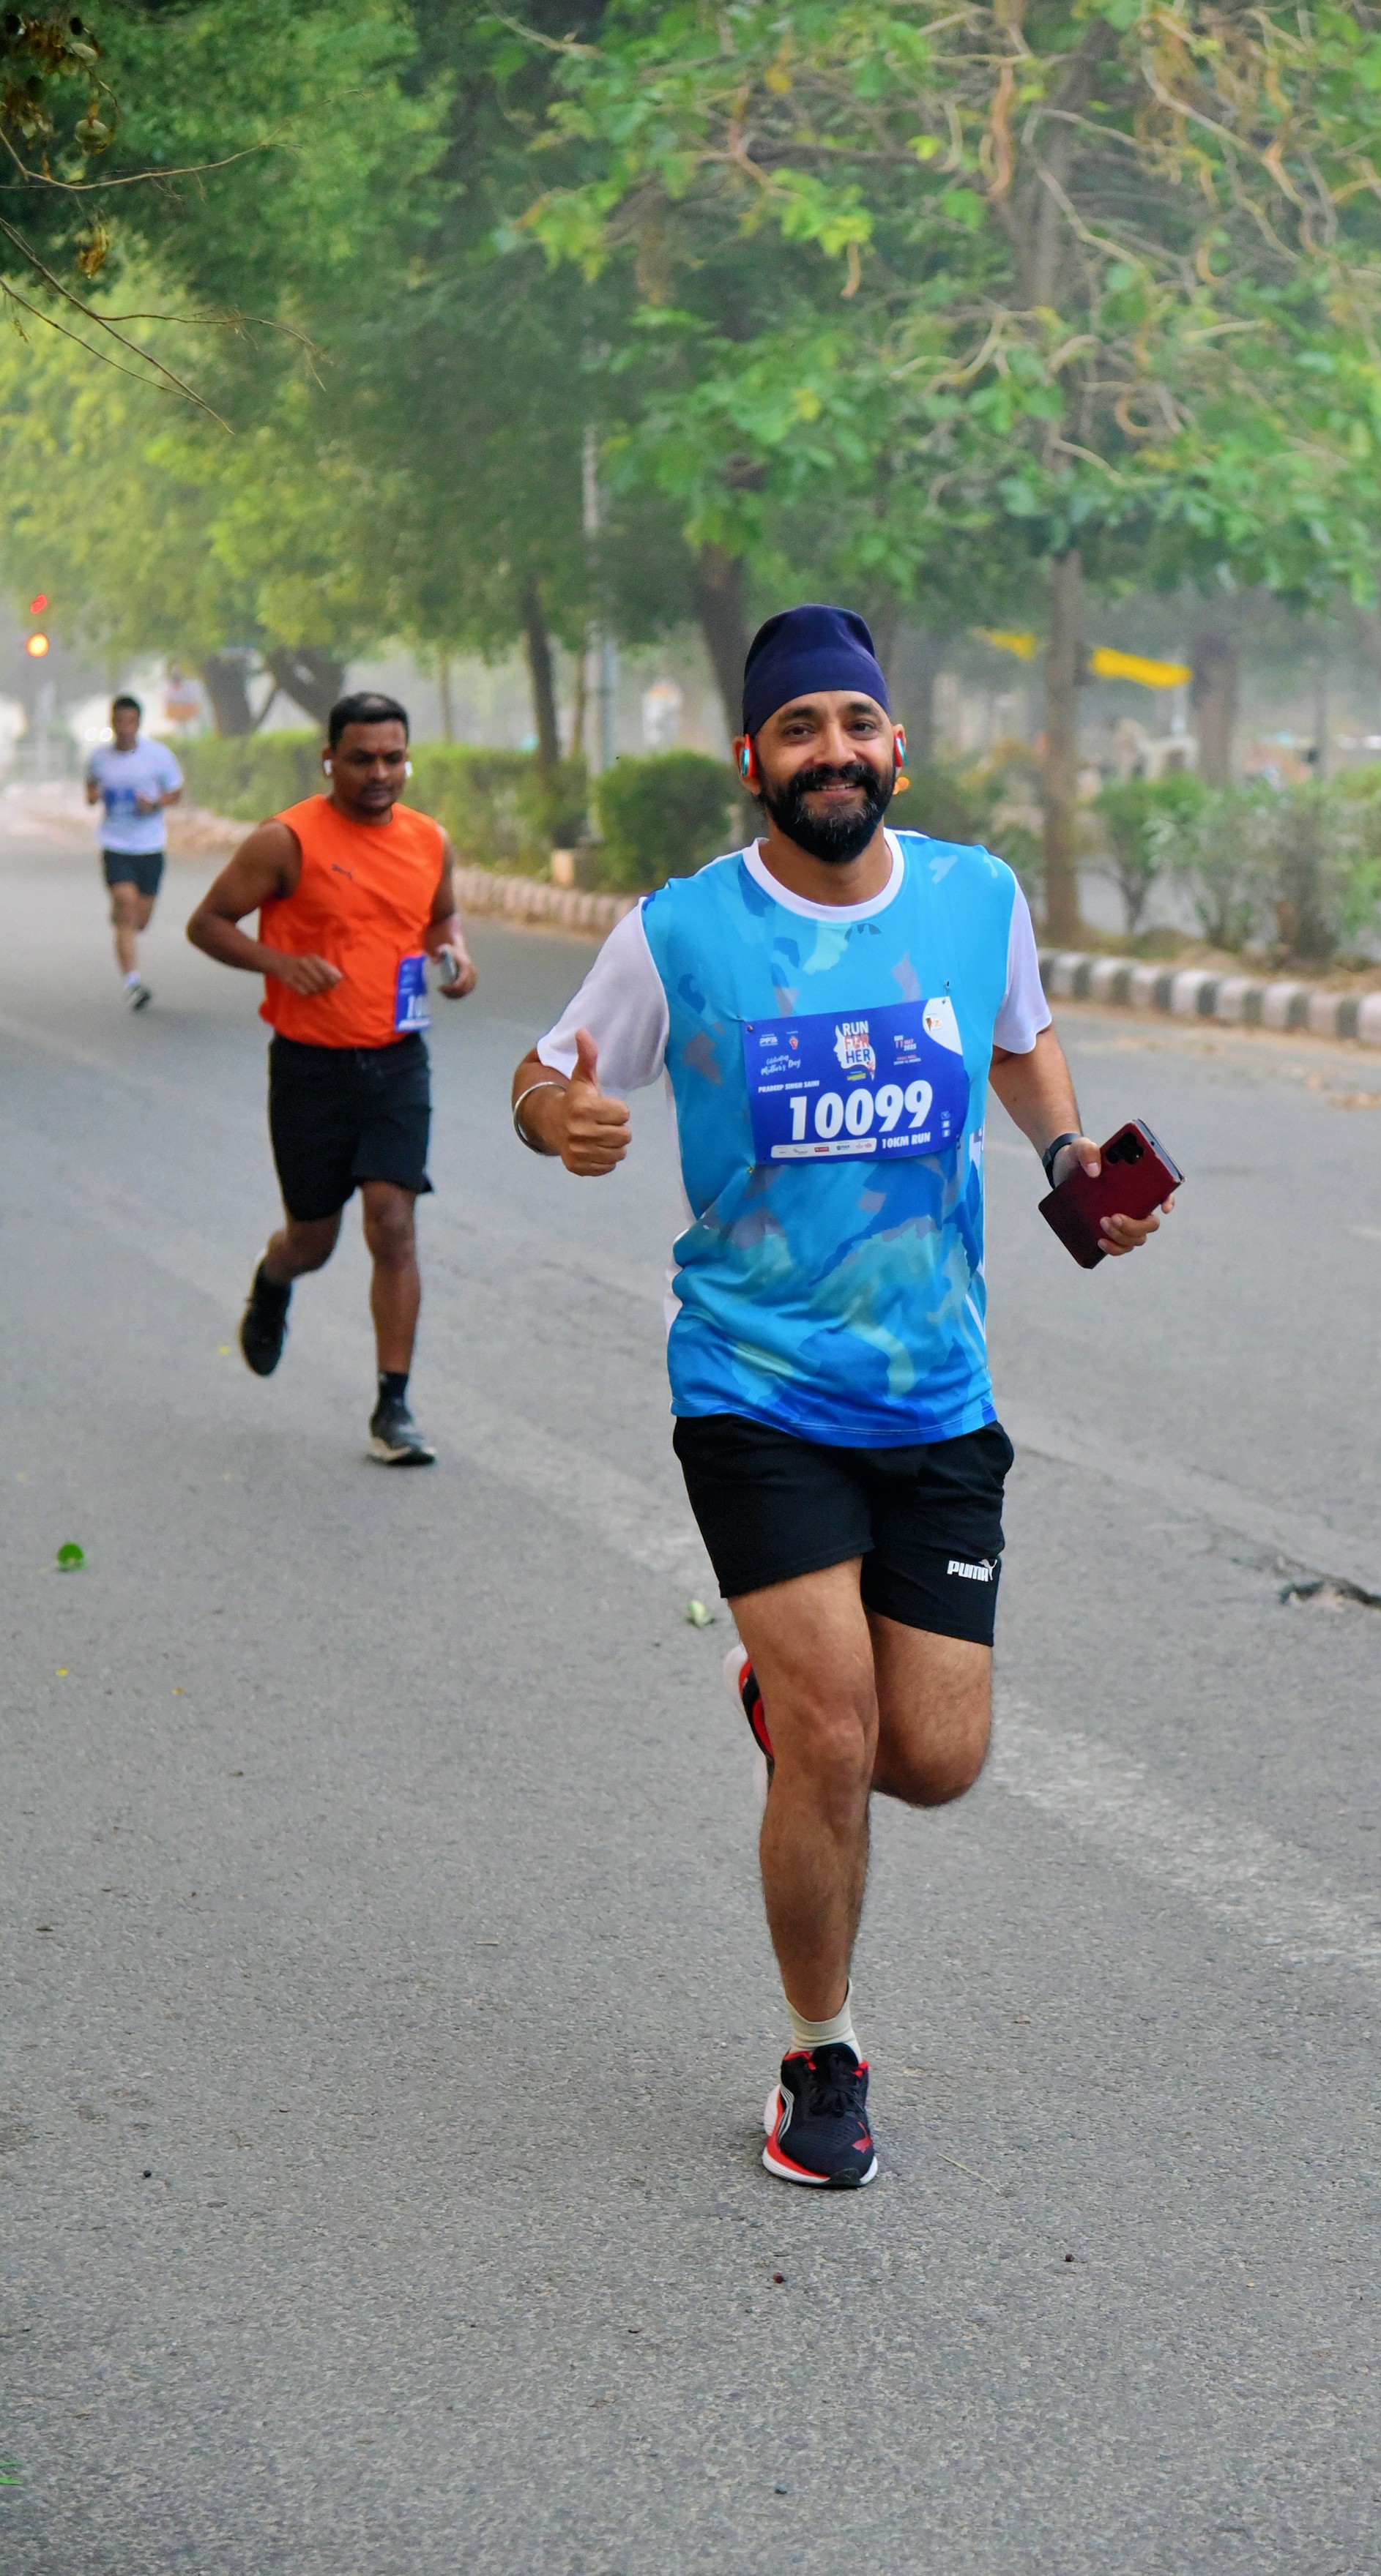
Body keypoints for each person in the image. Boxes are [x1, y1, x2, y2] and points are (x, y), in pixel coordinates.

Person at [510, 605, 1169, 2187]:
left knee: (931, 1755)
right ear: (753, 759)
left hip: (935, 1386)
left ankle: (791, 1705)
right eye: (798, 728)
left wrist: (1070, 1155)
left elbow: (1019, 1037)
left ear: (896, 748)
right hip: (752, 1381)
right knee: (834, 1731)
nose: (832, 752)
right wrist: (557, 1119)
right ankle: (821, 2049)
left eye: (855, 724)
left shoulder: (974, 896)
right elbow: (547, 1066)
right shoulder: (680, 930)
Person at [186, 691, 476, 1466]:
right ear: (329, 760)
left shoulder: (429, 841)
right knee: (313, 1239)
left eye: (393, 758)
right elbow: (206, 923)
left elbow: (440, 917)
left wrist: (455, 954)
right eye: (361, 759)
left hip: (397, 1060)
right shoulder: (285, 841)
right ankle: (274, 1276)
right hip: (309, 1067)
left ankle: (393, 1405)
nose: (380, 773)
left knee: (393, 1221)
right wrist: (278, 962)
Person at [85, 694, 183, 1011]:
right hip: (116, 844)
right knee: (126, 905)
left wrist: (154, 804)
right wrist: (95, 794)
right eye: (120, 722)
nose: (125, 728)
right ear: (112, 723)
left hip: (150, 846)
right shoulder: (99, 758)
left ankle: (122, 915)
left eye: (131, 722)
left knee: (139, 920)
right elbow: (90, 790)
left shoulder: (158, 756)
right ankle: (133, 983)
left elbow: (175, 791)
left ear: (138, 724)